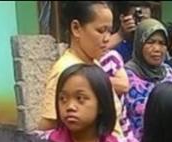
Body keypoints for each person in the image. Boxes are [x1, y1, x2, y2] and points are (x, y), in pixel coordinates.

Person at [39, 2, 120, 131]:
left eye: (109, 31)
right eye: (101, 31)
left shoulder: (93, 63)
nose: (107, 39)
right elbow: (47, 128)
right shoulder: (65, 71)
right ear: (76, 28)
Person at [124, 19, 172, 140]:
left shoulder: (168, 72)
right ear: (139, 44)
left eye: (162, 43)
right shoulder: (126, 75)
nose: (157, 49)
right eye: (150, 42)